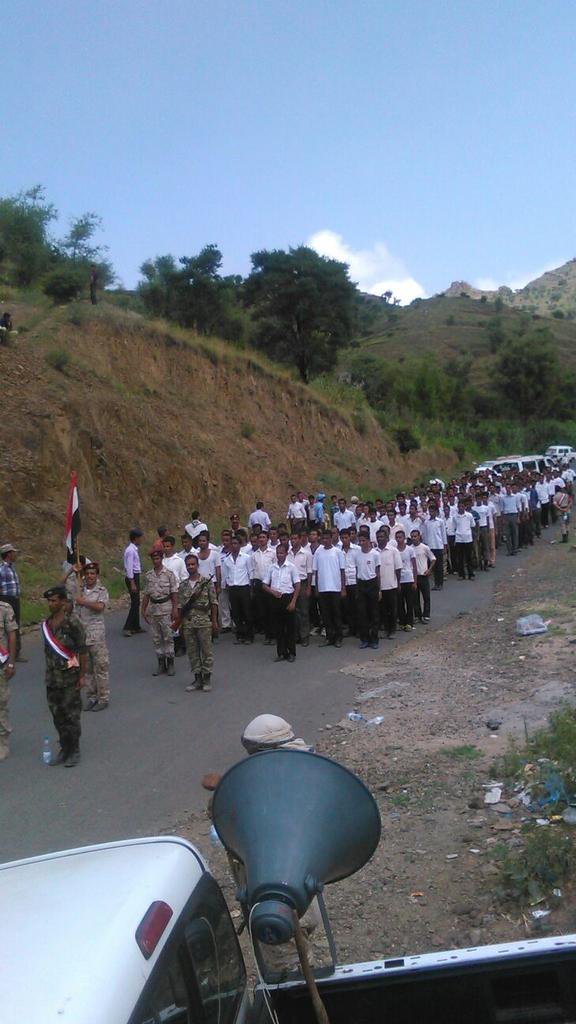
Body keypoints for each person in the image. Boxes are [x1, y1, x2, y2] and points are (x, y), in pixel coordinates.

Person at [42, 585, 87, 767]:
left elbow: (83, 650)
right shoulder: (47, 624)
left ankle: (74, 749)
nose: (50, 604)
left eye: (53, 601)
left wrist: (82, 675)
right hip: (52, 679)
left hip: (69, 678)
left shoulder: (72, 622)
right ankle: (64, 748)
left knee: (71, 715)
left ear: (62, 602)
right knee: (57, 715)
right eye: (49, 601)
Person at [175, 553, 219, 692]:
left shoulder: (206, 582)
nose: (190, 567)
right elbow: (181, 606)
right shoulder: (183, 585)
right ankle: (197, 678)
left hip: (204, 622)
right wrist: (180, 624)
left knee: (206, 651)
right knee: (192, 652)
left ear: (197, 565)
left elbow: (214, 603)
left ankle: (207, 678)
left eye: (193, 564)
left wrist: (214, 621)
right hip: (188, 623)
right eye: (188, 565)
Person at [75, 562, 110, 711]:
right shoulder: (79, 589)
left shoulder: (101, 590)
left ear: (97, 575)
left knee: (100, 667)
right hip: (82, 634)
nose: (90, 576)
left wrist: (84, 602)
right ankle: (91, 696)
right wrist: (73, 571)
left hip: (96, 634)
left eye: (93, 573)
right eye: (87, 573)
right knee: (87, 668)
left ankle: (103, 697)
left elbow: (100, 607)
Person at [141, 550, 179, 676]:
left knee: (168, 636)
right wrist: (143, 609)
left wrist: (175, 609)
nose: (155, 561)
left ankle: (170, 662)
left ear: (161, 559)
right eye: (154, 559)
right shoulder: (149, 575)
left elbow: (174, 592)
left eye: (157, 558)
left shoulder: (169, 574)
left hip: (166, 607)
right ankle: (161, 663)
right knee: (156, 638)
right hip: (153, 609)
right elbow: (147, 593)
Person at [263, 543, 300, 662]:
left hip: (287, 597)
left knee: (290, 627)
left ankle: (291, 652)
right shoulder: (272, 567)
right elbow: (264, 584)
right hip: (275, 599)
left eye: (282, 553)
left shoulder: (291, 567)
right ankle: (281, 652)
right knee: (278, 628)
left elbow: (297, 585)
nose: (279, 555)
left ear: (286, 553)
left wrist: (293, 602)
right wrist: (272, 591)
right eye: (278, 553)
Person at [312, 530, 346, 647]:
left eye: (327, 538)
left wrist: (343, 588)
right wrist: (316, 588)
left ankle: (338, 637)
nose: (325, 540)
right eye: (323, 538)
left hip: (335, 588)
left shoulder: (337, 552)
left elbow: (342, 571)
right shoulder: (318, 552)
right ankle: (329, 637)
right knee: (326, 615)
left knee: (336, 613)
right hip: (323, 588)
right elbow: (316, 571)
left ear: (331, 538)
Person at [221, 535, 254, 644]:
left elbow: (250, 572)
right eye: (232, 544)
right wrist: (226, 585)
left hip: (244, 587)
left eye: (236, 543)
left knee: (247, 612)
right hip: (233, 588)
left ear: (240, 545)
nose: (234, 546)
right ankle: (240, 635)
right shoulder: (227, 560)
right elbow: (226, 575)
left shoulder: (246, 557)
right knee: (236, 613)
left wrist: (251, 588)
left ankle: (249, 636)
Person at [354, 533, 381, 649]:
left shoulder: (375, 554)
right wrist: (357, 588)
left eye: (364, 541)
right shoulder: (357, 555)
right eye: (360, 541)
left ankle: (374, 639)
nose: (361, 543)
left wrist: (379, 589)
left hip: (372, 583)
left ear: (369, 541)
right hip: (361, 584)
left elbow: (378, 573)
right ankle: (364, 638)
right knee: (362, 613)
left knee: (374, 613)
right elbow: (357, 571)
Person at [287, 532, 313, 646]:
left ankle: (304, 636)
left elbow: (309, 572)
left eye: (295, 538)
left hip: (302, 584)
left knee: (303, 611)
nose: (293, 541)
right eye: (291, 539)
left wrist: (308, 587)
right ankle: (295, 635)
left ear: (300, 539)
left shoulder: (306, 554)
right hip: (290, 584)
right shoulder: (287, 553)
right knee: (293, 611)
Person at [0, 543, 25, 661]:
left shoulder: (12, 568)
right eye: (13, 552)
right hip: (6, 599)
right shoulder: (2, 569)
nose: (15, 555)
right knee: (8, 626)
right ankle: (6, 653)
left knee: (16, 625)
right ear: (8, 554)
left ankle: (16, 652)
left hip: (15, 599)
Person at [0, 598, 17, 760]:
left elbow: (12, 635)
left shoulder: (5, 608)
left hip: (1, 664)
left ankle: (2, 742)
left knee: (1, 704)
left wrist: (11, 662)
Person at [377, 529, 402, 639]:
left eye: (382, 537)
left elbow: (398, 569)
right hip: (380, 587)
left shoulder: (393, 551)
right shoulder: (374, 552)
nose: (380, 539)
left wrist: (398, 583)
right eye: (378, 537)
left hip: (391, 585)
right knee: (382, 609)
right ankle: (386, 629)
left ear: (387, 538)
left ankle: (392, 630)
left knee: (392, 609)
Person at [409, 529, 436, 623]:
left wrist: (429, 569)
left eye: (415, 536)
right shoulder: (410, 549)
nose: (414, 538)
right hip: (414, 577)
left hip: (423, 575)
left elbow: (433, 559)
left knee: (426, 597)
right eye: (412, 537)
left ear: (419, 537)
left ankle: (426, 615)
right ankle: (417, 615)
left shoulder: (425, 547)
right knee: (415, 598)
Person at [421, 503, 447, 590]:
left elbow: (443, 534)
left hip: (438, 545)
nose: (431, 513)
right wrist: (425, 545)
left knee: (439, 566)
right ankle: (435, 583)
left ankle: (440, 583)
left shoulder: (440, 521)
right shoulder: (426, 522)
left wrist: (444, 545)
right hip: (430, 546)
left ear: (436, 512)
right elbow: (425, 534)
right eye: (430, 511)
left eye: (433, 511)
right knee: (432, 566)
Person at [123, 528, 144, 636]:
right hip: (132, 577)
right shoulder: (130, 551)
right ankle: (128, 627)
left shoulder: (134, 549)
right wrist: (132, 582)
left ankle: (136, 626)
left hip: (135, 576)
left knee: (137, 602)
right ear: (135, 538)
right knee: (135, 602)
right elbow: (129, 567)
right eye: (140, 538)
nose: (141, 540)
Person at [396, 530, 417, 630]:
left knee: (409, 602)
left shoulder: (410, 550)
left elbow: (414, 566)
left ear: (404, 538)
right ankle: (402, 622)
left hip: (408, 578)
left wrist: (415, 581)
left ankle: (409, 622)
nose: (398, 539)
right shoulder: (394, 550)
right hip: (398, 580)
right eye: (397, 537)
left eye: (400, 537)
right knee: (400, 603)